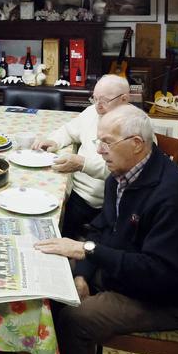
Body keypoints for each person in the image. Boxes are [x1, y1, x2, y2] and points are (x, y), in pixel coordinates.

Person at [36, 105, 178, 354]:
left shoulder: (172, 197)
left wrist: (88, 251)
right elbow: (100, 229)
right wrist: (83, 275)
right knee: (52, 275)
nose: (99, 150)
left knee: (74, 319)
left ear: (137, 143)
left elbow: (158, 273)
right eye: (98, 141)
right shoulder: (120, 176)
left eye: (107, 142)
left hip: (163, 300)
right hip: (128, 273)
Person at [33, 74, 130, 239]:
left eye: (104, 101)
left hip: (109, 204)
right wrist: (54, 141)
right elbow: (69, 130)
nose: (98, 106)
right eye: (94, 99)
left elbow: (121, 169)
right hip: (76, 192)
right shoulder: (92, 112)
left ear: (124, 99)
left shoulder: (133, 126)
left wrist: (83, 164)